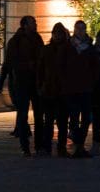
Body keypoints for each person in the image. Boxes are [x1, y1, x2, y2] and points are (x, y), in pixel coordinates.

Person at [0, 15, 44, 156]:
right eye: (33, 23)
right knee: (23, 114)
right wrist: (1, 81)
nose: (36, 24)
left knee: (39, 115)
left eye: (35, 22)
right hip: (22, 82)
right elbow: (9, 62)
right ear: (25, 25)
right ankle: (25, 146)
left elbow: (43, 59)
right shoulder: (16, 41)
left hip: (36, 82)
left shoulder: (38, 39)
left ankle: (39, 145)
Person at [65, 19, 100, 158]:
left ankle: (80, 144)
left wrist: (92, 81)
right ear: (74, 29)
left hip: (86, 88)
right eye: (78, 28)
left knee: (86, 118)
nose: (80, 31)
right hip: (72, 88)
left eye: (82, 28)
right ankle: (76, 143)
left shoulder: (90, 48)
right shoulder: (68, 46)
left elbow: (95, 67)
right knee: (73, 117)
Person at [37, 22, 70, 157]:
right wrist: (40, 86)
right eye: (55, 33)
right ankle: (47, 147)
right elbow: (40, 70)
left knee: (62, 122)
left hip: (62, 90)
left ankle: (61, 147)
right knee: (49, 121)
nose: (57, 36)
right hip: (49, 90)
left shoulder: (68, 49)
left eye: (59, 33)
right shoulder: (46, 50)